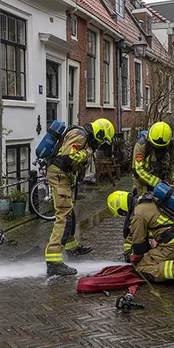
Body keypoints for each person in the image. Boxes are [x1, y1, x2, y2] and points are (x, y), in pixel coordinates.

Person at [45, 118, 115, 276]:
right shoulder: (80, 135)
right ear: (99, 133)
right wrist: (88, 151)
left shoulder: (83, 136)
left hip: (63, 175)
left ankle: (72, 247)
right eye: (101, 141)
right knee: (64, 214)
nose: (100, 145)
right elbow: (70, 157)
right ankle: (54, 261)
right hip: (58, 174)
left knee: (70, 212)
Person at [107, 190, 174, 292]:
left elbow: (138, 245)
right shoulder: (146, 200)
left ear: (121, 209)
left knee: (141, 267)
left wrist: (134, 258)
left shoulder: (137, 214)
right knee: (152, 256)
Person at [132, 122, 174, 195]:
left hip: (163, 178)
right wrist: (159, 183)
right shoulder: (141, 145)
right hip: (142, 180)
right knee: (141, 202)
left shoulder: (171, 145)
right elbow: (138, 170)